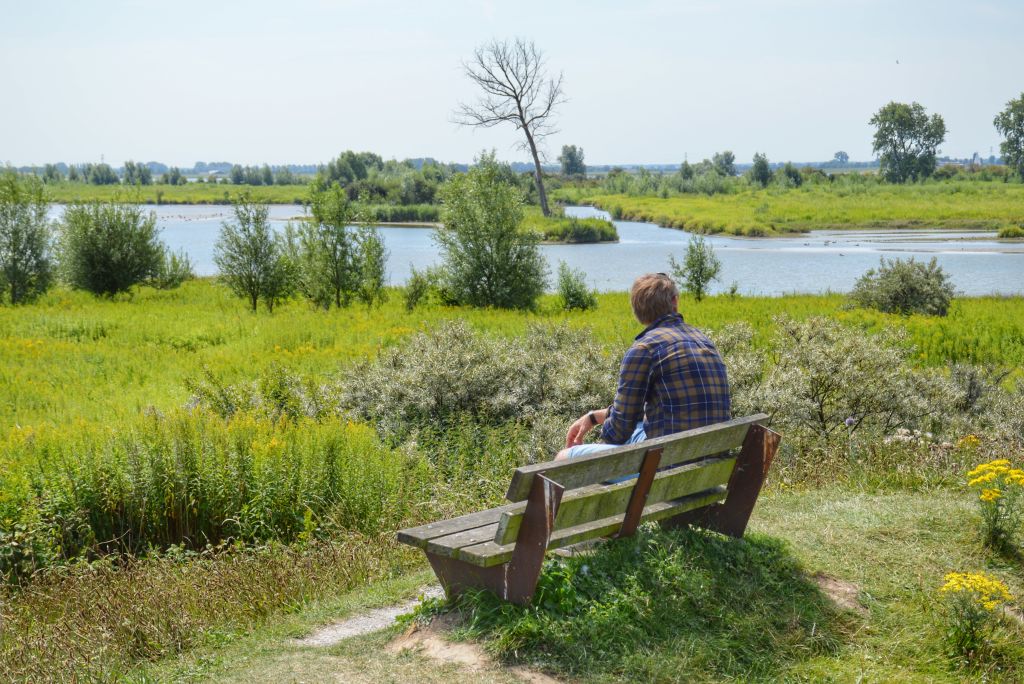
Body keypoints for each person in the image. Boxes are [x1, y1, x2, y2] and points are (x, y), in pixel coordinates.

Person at [555, 273, 730, 461]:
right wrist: (594, 417)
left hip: (665, 468)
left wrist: (603, 435)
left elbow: (618, 432)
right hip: (712, 465)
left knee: (564, 458)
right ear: (675, 301)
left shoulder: (644, 349)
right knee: (638, 428)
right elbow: (638, 415)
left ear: (636, 310)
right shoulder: (704, 342)